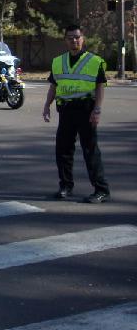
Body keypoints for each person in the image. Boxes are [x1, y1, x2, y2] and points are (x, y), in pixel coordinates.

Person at [42, 24, 110, 203]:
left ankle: (101, 189)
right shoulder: (58, 61)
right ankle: (65, 186)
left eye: (77, 37)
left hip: (86, 110)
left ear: (83, 39)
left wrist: (97, 110)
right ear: (66, 40)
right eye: (70, 37)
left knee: (91, 150)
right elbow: (54, 86)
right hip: (66, 111)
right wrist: (46, 105)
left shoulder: (94, 61)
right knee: (63, 150)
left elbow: (100, 87)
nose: (74, 40)